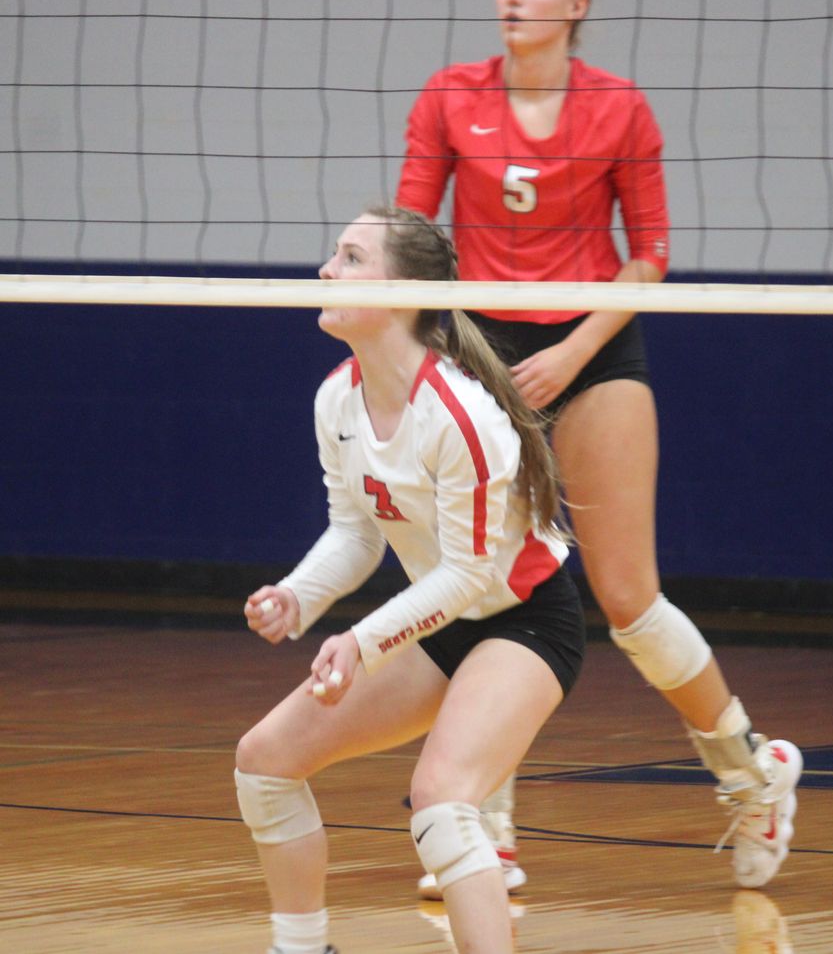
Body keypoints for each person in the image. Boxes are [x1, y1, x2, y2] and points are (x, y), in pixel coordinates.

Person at [396, 0, 801, 897]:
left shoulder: (620, 108)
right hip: (478, 346)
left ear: (577, 7)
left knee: (628, 599)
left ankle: (754, 774)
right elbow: (415, 234)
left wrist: (573, 354)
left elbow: (650, 254)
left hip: (592, 343)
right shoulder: (450, 95)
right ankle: (481, 817)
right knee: (479, 585)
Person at [234, 206, 586, 954]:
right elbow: (357, 531)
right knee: (264, 763)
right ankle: (301, 948)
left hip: (523, 622)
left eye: (352, 258)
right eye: (335, 255)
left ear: (406, 291)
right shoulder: (338, 398)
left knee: (442, 802)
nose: (327, 271)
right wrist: (299, 595)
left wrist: (361, 639)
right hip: (440, 624)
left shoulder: (460, 415)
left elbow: (468, 575)